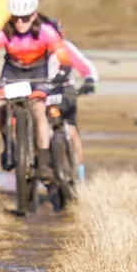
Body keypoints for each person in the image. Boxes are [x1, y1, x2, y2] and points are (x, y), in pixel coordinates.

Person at [0, 0, 73, 180]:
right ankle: (8, 145)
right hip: (13, 71)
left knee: (39, 110)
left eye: (24, 18)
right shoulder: (5, 32)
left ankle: (43, 160)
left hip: (38, 71)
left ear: (33, 15)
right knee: (0, 105)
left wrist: (64, 71)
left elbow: (62, 53)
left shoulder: (45, 32)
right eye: (16, 18)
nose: (20, 23)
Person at [45, 18, 98, 181]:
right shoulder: (36, 49)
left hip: (65, 91)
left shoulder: (66, 47)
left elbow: (85, 66)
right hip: (42, 92)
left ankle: (80, 171)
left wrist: (90, 81)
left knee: (71, 129)